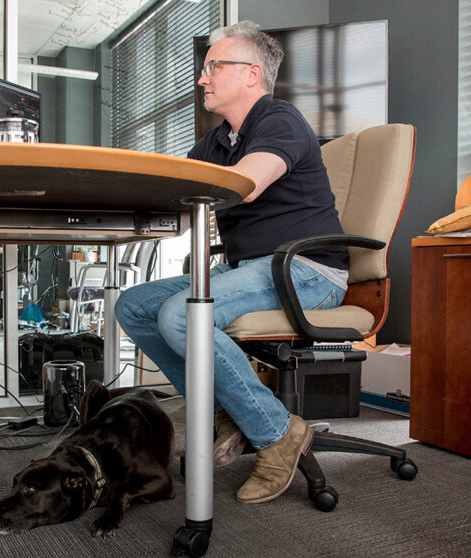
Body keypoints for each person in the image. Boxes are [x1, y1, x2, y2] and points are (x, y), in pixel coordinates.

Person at [114, 21, 349, 505]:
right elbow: (174, 203)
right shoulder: (217, 142)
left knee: (180, 315)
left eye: (213, 67)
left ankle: (275, 433)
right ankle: (232, 412)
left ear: (251, 74)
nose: (202, 78)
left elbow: (247, 183)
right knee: (134, 305)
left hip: (306, 272)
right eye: (204, 69)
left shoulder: (279, 120)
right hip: (253, 268)